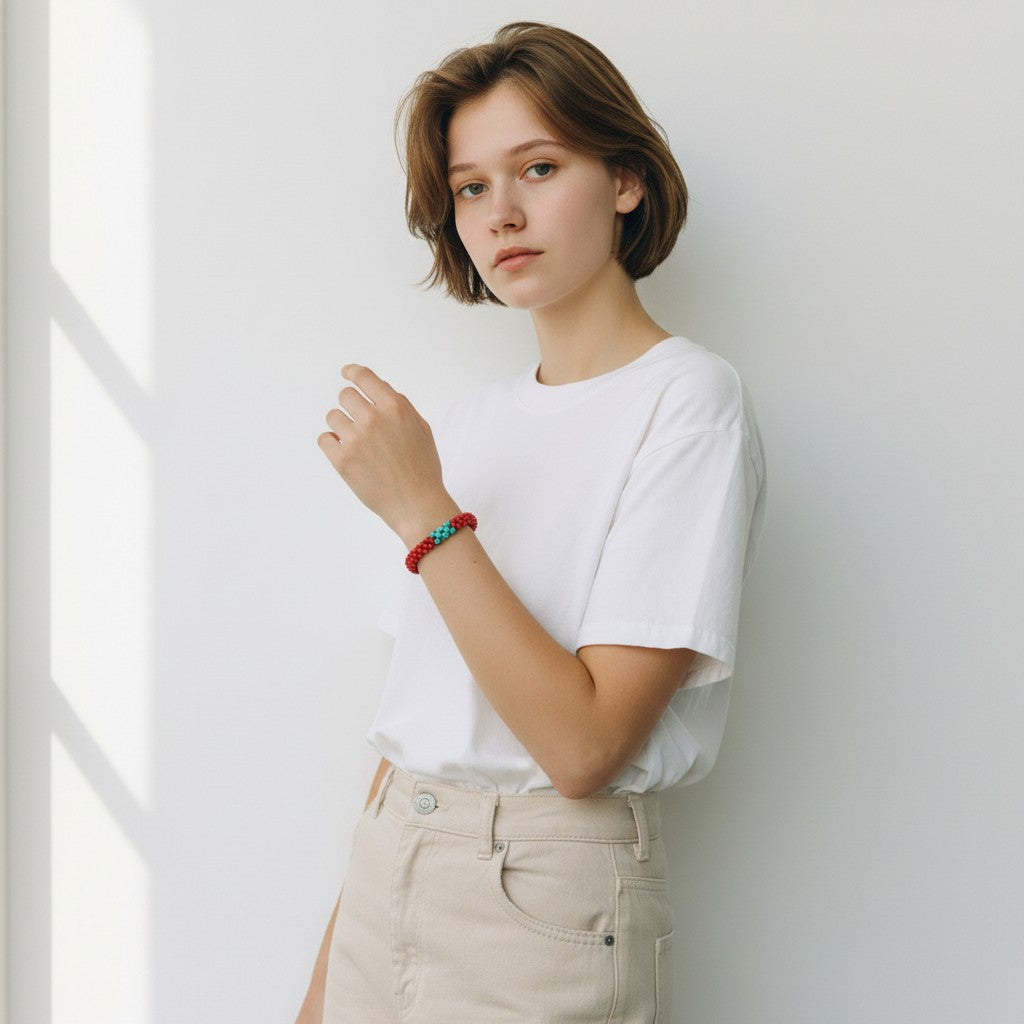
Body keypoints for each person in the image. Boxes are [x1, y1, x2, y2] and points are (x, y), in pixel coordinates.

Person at [298, 21, 766, 1024]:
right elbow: (419, 727)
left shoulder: (687, 401)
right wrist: (325, 983)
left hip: (542, 894)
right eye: (470, 187)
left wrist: (421, 509)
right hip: (390, 861)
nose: (501, 213)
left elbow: (585, 746)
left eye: (538, 167)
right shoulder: (467, 426)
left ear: (625, 180)